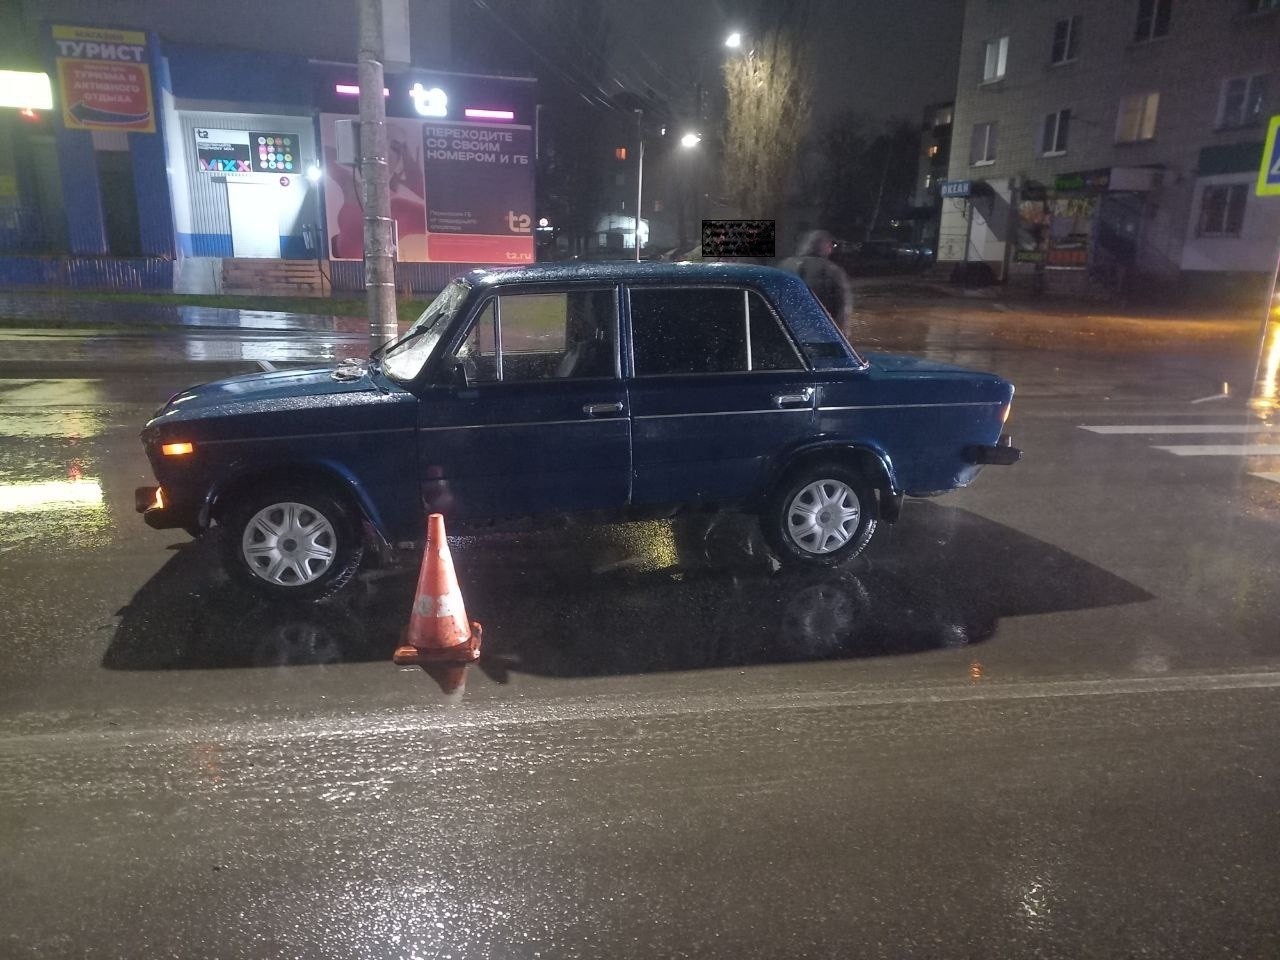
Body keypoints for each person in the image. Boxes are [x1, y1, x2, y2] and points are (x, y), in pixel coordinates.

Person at [779, 230, 854, 328]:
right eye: (830, 246)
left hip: (787, 325)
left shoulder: (784, 265)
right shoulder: (831, 270)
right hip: (818, 327)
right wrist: (841, 331)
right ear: (824, 246)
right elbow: (843, 306)